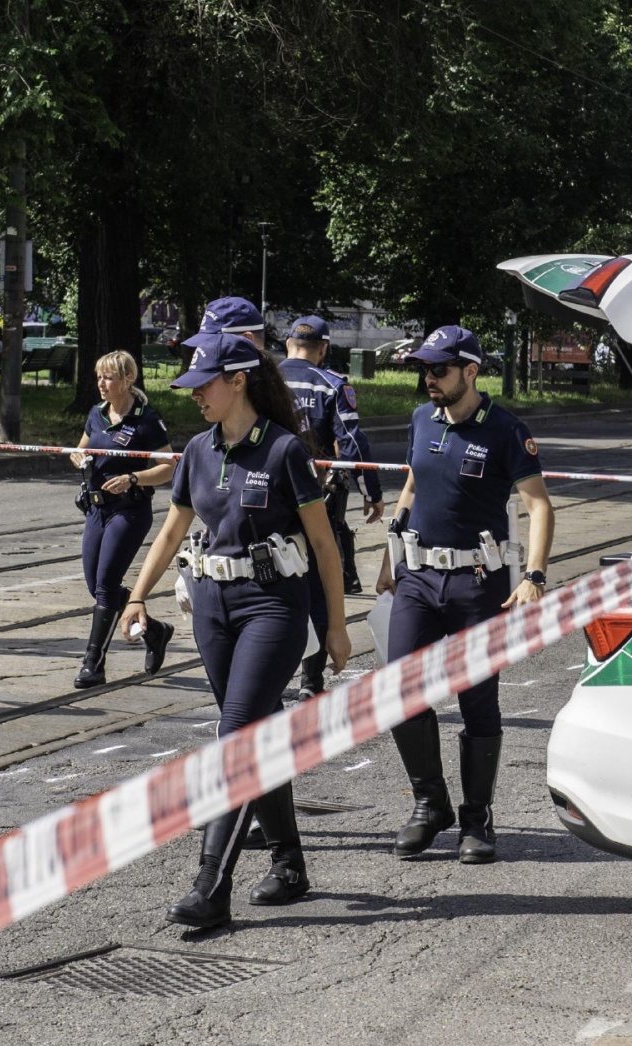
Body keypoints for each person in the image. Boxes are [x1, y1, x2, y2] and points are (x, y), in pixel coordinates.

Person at [123, 332, 350, 931]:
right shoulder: (197, 450)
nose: (195, 396)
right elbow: (172, 531)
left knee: (236, 736)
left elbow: (325, 545)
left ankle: (211, 885)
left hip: (273, 607)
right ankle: (290, 865)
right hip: (213, 609)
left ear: (239, 381)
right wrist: (138, 596)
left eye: (204, 385)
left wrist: (335, 626)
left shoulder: (284, 452)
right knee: (255, 732)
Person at [375, 326, 555, 864]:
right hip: (417, 578)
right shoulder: (419, 419)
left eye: (439, 370)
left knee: (477, 698)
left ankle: (478, 819)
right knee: (399, 690)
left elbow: (540, 506)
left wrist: (535, 576)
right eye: (424, 370)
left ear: (470, 371)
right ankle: (431, 806)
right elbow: (412, 483)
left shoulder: (505, 430)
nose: (428, 379)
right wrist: (388, 557)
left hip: (478, 584)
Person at [277, 314, 385, 700]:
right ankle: (311, 681)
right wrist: (370, 491)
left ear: (288, 344)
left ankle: (270, 676)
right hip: (316, 496)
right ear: (323, 349)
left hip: (264, 496)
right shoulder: (332, 384)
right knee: (321, 582)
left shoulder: (263, 380)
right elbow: (352, 443)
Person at [68, 351, 175, 688]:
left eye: (109, 377)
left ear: (128, 380)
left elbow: (168, 467)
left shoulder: (146, 420)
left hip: (129, 510)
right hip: (97, 509)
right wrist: (78, 456)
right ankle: (154, 629)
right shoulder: (97, 414)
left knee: (105, 587)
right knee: (95, 584)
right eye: (99, 377)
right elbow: (82, 447)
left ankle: (93, 663)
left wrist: (133, 478)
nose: (102, 384)